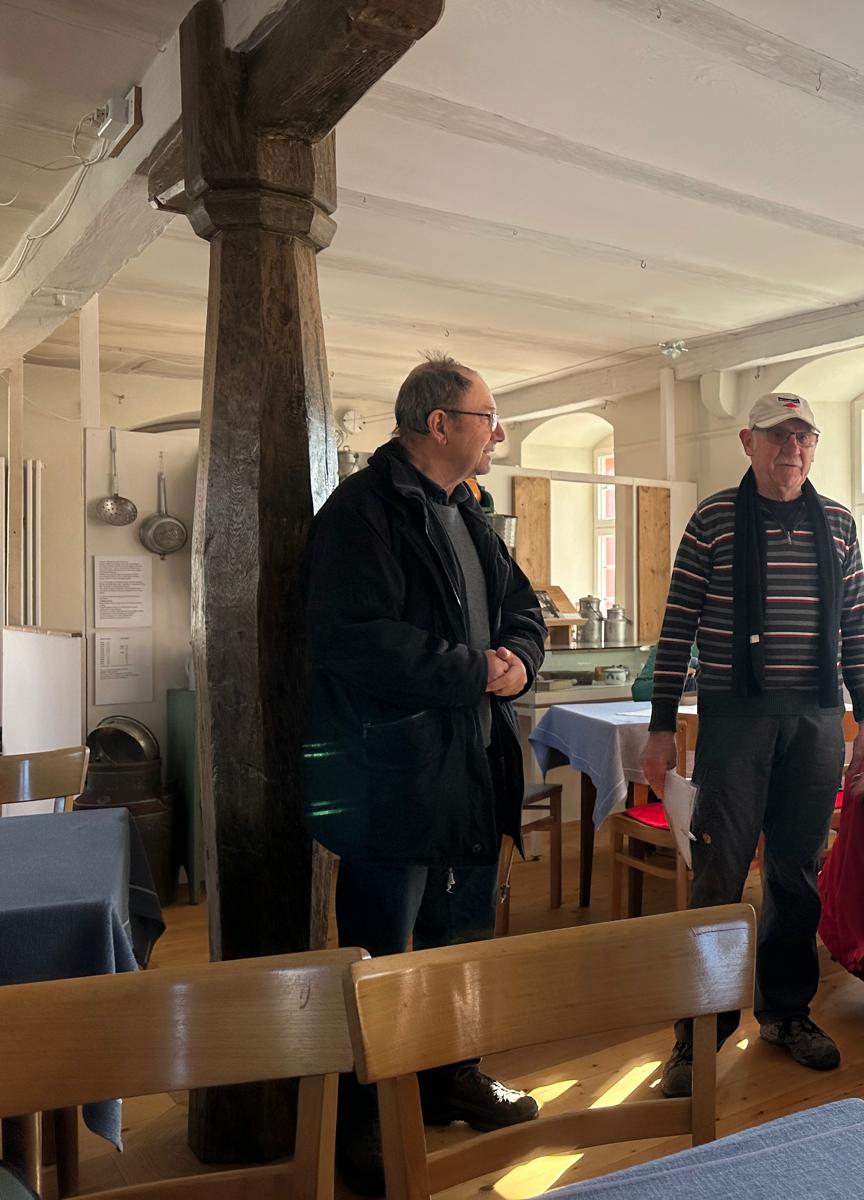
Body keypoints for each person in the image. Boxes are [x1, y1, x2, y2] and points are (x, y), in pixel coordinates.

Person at [304, 355, 546, 1195]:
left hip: (472, 768)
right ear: (438, 424)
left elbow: (522, 607)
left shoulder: (467, 510)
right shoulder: (361, 514)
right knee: (378, 953)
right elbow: (355, 638)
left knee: (460, 940)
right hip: (393, 777)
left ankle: (452, 1077)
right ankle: (361, 1118)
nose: (498, 434)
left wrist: (520, 659)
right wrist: (477, 670)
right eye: (487, 417)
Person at [639, 391, 864, 1097]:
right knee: (718, 876)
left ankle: (784, 1012)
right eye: (778, 437)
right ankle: (699, 1032)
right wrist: (661, 726)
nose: (792, 450)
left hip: (816, 720)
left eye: (804, 437)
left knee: (797, 873)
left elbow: (857, 628)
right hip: (736, 720)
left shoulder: (839, 523)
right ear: (748, 442)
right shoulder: (715, 518)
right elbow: (677, 626)